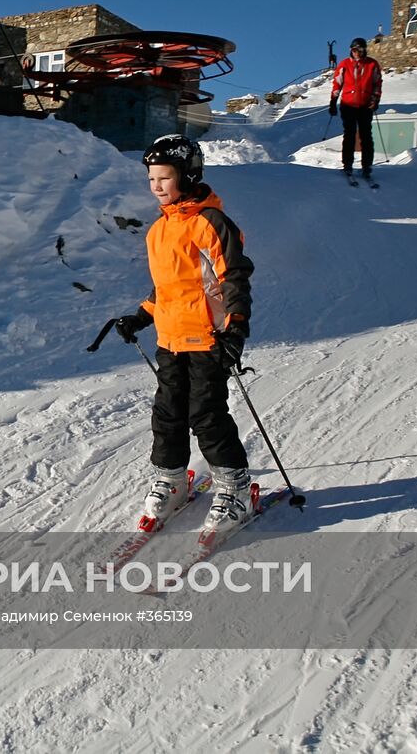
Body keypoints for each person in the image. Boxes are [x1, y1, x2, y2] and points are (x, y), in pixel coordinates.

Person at [114, 134, 256, 536]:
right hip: (171, 339)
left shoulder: (210, 223)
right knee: (168, 413)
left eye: (164, 177)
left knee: (206, 415)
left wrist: (236, 328)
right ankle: (173, 479)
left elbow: (234, 277)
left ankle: (235, 487)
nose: (156, 185)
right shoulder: (159, 230)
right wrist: (142, 316)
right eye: (152, 178)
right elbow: (169, 288)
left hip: (209, 338)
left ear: (188, 176)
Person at [329, 37, 382, 180]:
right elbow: (337, 84)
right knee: (350, 134)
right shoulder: (345, 64)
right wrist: (333, 101)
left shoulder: (372, 64)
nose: (357, 53)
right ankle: (347, 164)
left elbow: (377, 83)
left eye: (360, 50)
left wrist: (375, 99)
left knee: (366, 135)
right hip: (348, 105)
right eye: (354, 50)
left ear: (365, 50)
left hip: (365, 105)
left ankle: (367, 166)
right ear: (350, 51)